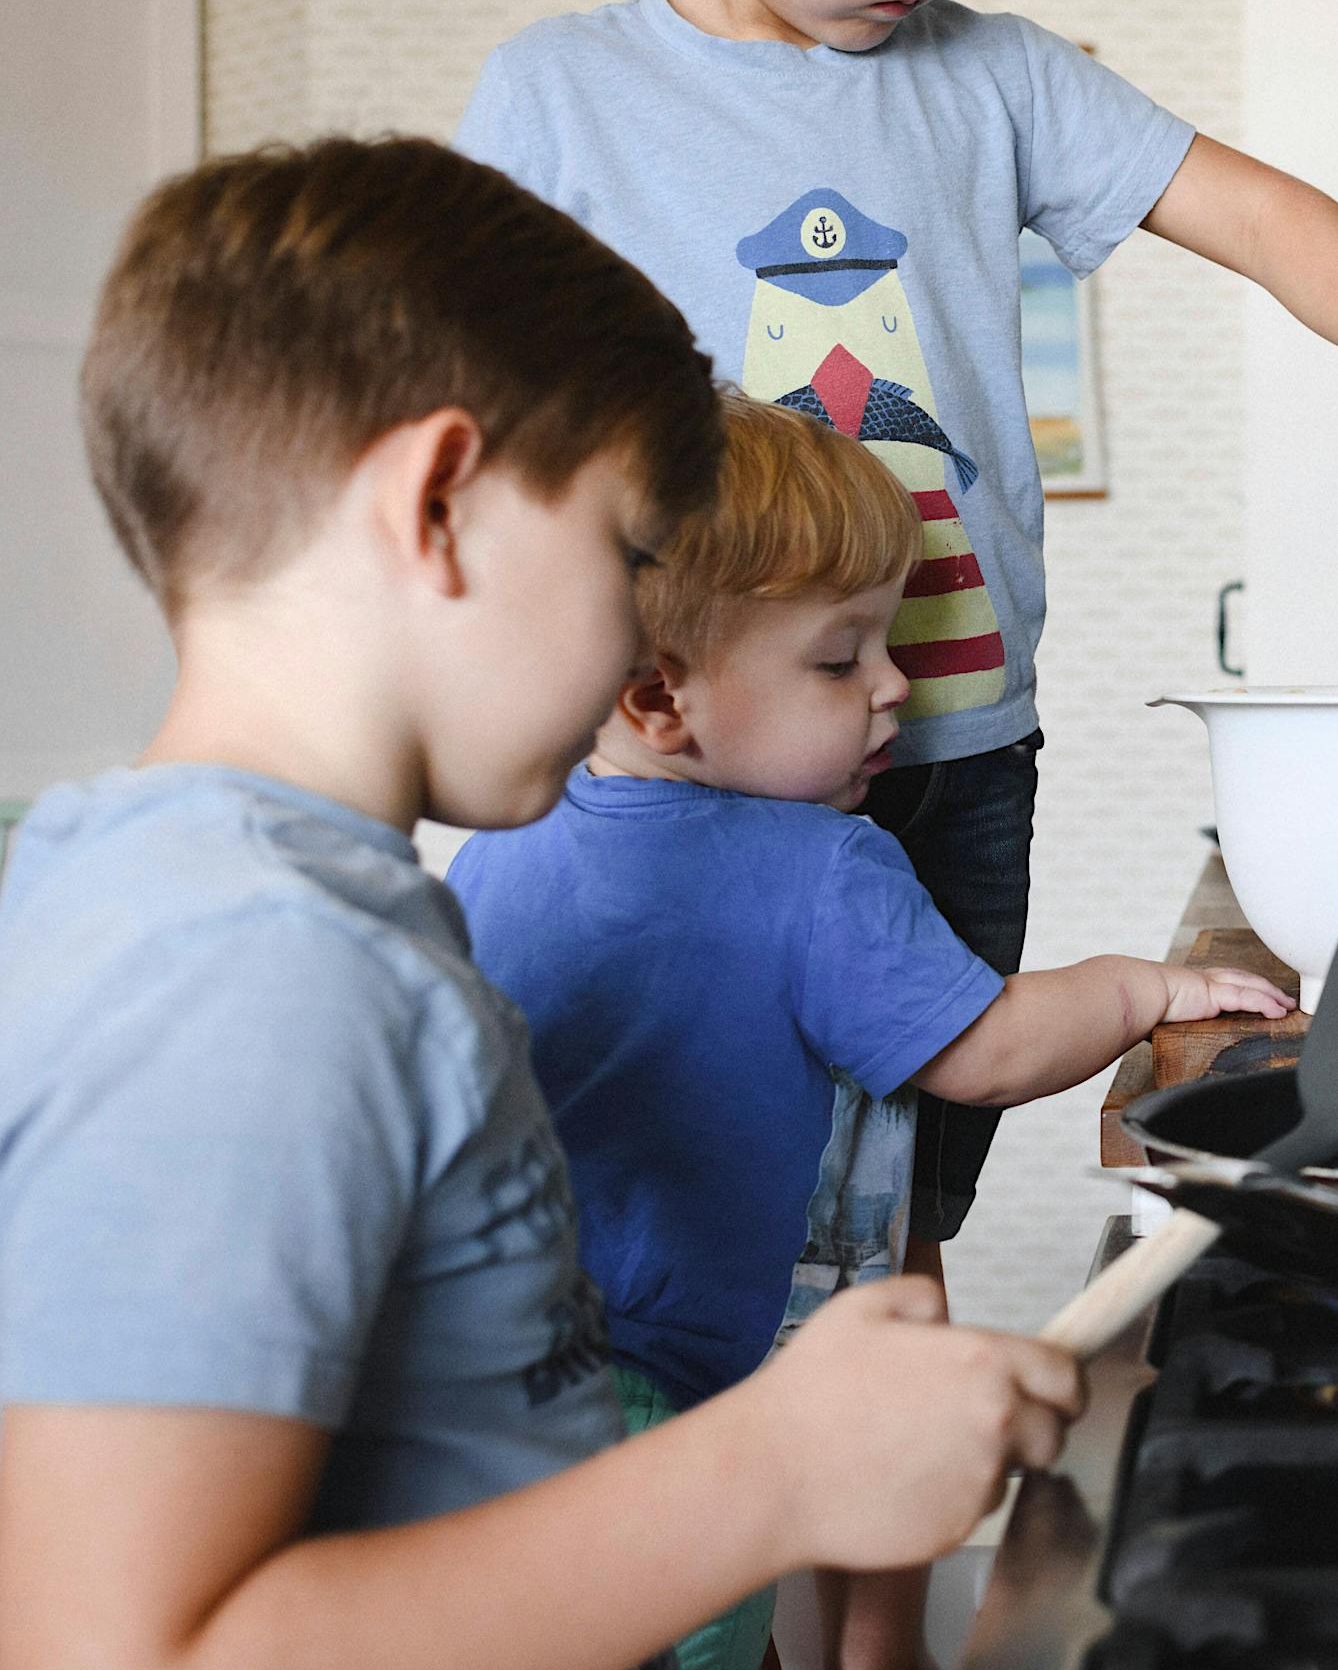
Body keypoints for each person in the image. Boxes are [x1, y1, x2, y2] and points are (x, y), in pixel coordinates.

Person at [454, 0, 1338, 1381]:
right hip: (667, 775)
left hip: (945, 754)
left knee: (895, 1222)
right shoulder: (564, 92)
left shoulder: (996, 73)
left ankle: (874, 1620)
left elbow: (1252, 207)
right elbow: (465, 404)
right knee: (649, 1206)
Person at [0, 138, 1086, 1670]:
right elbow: (122, 1648)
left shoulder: (251, 903)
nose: (634, 650)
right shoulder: (253, 972)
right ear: (437, 502)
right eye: (629, 551)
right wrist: (772, 1472)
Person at [447, 393, 1294, 1670]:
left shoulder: (497, 843)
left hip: (493, 1381)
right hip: (683, 1381)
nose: (895, 686)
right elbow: (985, 1047)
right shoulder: (819, 863)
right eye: (839, 660)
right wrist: (1137, 987)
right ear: (656, 695)